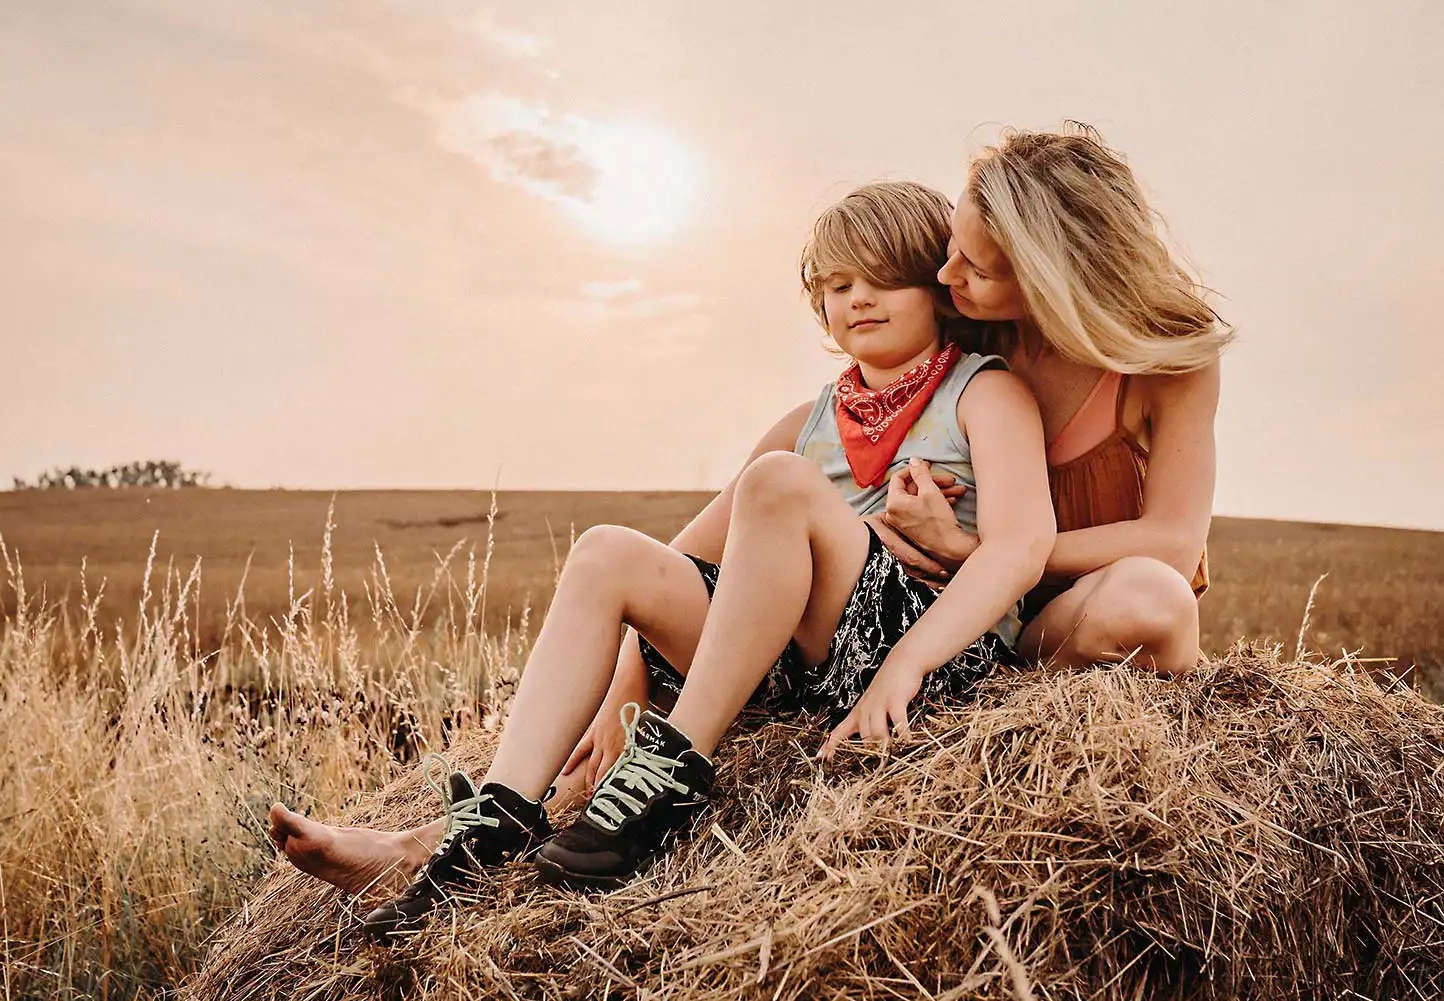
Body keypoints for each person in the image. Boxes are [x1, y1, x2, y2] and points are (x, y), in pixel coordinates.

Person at [267, 180, 1055, 942]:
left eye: (886, 278)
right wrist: (626, 681)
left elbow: (1023, 546)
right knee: (608, 550)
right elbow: (686, 555)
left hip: (924, 657)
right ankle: (492, 821)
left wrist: (908, 665)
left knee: (776, 483)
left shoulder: (982, 393)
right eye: (839, 283)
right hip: (795, 659)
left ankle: (673, 771)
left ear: (938, 287)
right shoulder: (806, 420)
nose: (859, 299)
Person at [876, 124, 1228, 675]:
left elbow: (1174, 545)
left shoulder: (1170, 356)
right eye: (952, 248)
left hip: (1090, 623)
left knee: (1149, 594)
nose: (947, 276)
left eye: (979, 268)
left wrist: (978, 554)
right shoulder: (966, 332)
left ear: (1052, 281)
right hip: (968, 622)